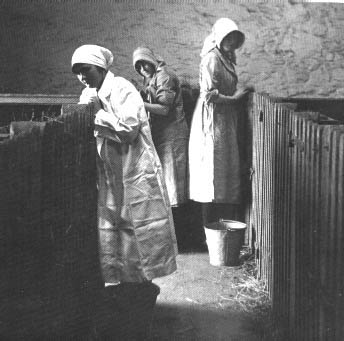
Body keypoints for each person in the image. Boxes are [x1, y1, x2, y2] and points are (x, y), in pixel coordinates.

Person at [71, 44, 177, 289]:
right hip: (110, 169)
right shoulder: (88, 93)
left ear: (99, 66)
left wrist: (98, 112)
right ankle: (125, 282)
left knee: (137, 225)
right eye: (77, 72)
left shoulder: (122, 88)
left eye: (86, 70)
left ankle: (140, 285)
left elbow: (129, 130)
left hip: (133, 165)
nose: (82, 77)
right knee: (117, 225)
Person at [188, 18, 252, 227]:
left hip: (224, 118)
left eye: (235, 37)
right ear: (219, 37)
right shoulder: (212, 59)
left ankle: (221, 227)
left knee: (224, 169)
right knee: (210, 170)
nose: (232, 41)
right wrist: (234, 99)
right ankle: (209, 229)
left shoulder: (226, 58)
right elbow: (208, 95)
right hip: (211, 118)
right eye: (228, 37)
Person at [132, 46, 189, 208]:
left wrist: (139, 103)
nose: (143, 70)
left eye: (145, 64)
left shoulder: (165, 76)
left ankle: (178, 227)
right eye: (138, 67)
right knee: (166, 185)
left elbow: (164, 109)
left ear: (152, 60)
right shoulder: (151, 79)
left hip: (173, 136)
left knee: (173, 187)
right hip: (162, 135)